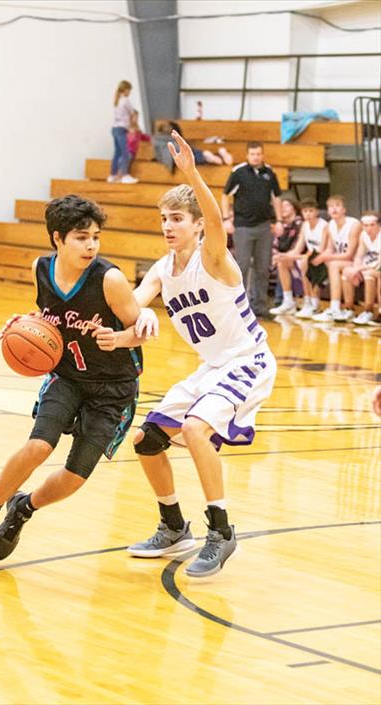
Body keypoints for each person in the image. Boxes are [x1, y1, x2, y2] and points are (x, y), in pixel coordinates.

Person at [0, 195, 157, 563]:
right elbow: (49, 316)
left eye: (96, 236)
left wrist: (120, 339)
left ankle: (23, 509)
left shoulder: (109, 279)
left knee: (75, 477)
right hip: (67, 376)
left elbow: (138, 328)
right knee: (38, 447)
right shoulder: (41, 269)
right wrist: (22, 324)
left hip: (114, 388)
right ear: (57, 239)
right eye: (81, 237)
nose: (91, 244)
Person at [127, 131, 277, 578]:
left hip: (247, 359)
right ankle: (174, 527)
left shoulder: (212, 257)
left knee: (195, 428)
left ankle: (221, 530)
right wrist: (127, 323)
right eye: (163, 220)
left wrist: (192, 174)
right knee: (146, 439)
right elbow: (133, 303)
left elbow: (216, 217)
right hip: (211, 367)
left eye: (176, 218)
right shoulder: (162, 267)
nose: (168, 226)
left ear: (195, 225)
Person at [221, 142, 284, 319]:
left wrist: (278, 221)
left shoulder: (269, 173)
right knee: (241, 267)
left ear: (262, 154)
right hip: (243, 227)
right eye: (252, 154)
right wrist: (226, 218)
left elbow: (277, 197)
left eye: (258, 154)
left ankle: (260, 306)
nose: (255, 157)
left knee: (263, 267)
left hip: (264, 227)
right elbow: (225, 196)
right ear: (247, 155)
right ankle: (239, 306)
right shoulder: (239, 172)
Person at [270, 198, 328, 318]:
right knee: (282, 262)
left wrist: (299, 256)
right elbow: (298, 248)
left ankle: (312, 304)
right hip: (308, 257)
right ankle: (288, 301)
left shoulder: (324, 226)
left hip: (322, 258)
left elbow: (320, 251)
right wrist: (284, 255)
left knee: (306, 261)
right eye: (305, 211)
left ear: (317, 212)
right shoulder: (305, 225)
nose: (308, 214)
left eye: (310, 211)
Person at [312, 195, 362, 322]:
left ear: (344, 209)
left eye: (337, 206)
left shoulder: (354, 224)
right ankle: (312, 304)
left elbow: (350, 254)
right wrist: (321, 257)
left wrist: (327, 257)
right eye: (330, 207)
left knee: (333, 264)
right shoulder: (330, 225)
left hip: (357, 261)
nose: (334, 209)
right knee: (322, 263)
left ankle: (335, 308)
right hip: (342, 261)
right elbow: (329, 248)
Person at [342, 211, 380, 325]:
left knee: (369, 274)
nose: (369, 228)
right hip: (371, 266)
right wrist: (356, 268)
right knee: (346, 272)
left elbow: (378, 263)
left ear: (378, 225)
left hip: (377, 266)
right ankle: (349, 309)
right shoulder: (363, 235)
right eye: (366, 225)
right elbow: (359, 256)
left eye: (372, 225)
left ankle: (368, 310)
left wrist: (359, 269)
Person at [153, 120, 233, 172]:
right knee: (195, 155)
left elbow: (158, 156)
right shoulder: (164, 140)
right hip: (186, 152)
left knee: (195, 158)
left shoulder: (157, 140)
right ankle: (217, 155)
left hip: (183, 155)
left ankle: (209, 156)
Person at [269, 196, 303, 312]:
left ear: (294, 207)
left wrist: (281, 256)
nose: (283, 208)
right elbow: (274, 244)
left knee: (281, 261)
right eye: (281, 206)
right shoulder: (280, 226)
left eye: (286, 205)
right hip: (282, 257)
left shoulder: (300, 223)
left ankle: (281, 299)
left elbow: (298, 246)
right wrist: (275, 254)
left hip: (298, 257)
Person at [108, 80, 139, 184]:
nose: (129, 92)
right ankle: (125, 175)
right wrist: (133, 121)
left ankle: (112, 175)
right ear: (126, 89)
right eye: (129, 90)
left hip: (115, 128)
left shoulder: (116, 100)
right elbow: (132, 112)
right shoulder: (125, 100)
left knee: (117, 152)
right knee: (125, 152)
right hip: (121, 129)